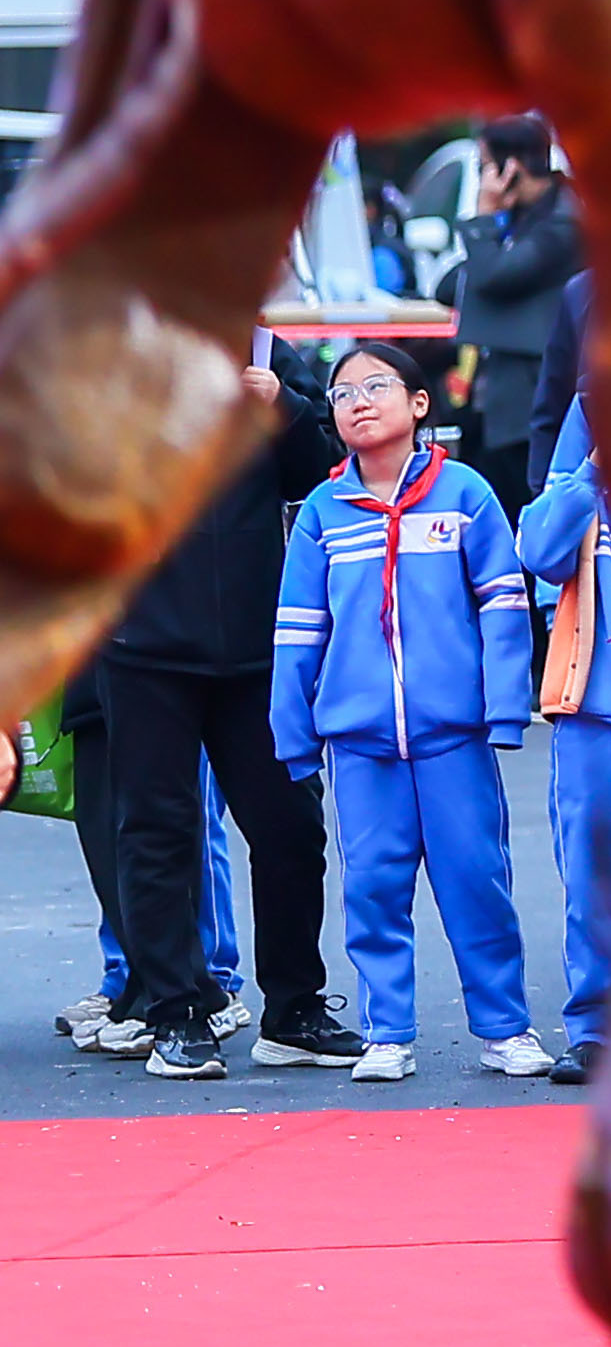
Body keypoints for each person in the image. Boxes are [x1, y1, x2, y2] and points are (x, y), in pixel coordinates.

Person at [271, 338, 543, 1083]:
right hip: (359, 743)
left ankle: (505, 1026)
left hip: (452, 736)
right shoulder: (325, 511)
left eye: (375, 386)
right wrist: (293, 732)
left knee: (476, 881)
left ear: (420, 405)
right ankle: (386, 1031)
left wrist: (502, 707)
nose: (357, 402)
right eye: (342, 393)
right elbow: (298, 629)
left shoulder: (466, 495)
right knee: (373, 888)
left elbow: (503, 605)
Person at [97, 334, 340, 1080]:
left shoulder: (266, 351)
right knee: (157, 832)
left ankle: (294, 1009)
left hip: (256, 643)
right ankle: (175, 1012)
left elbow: (324, 468)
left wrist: (284, 407)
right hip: (142, 643)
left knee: (291, 826)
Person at [520, 401, 611, 1084]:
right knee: (594, 873)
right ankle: (595, 1028)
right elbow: (538, 551)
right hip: (596, 704)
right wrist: (596, 467)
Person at [443, 116, 583, 504]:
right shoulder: (526, 220)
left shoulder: (564, 223)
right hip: (503, 390)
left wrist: (483, 216)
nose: (482, 179)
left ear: (511, 167)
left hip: (532, 391)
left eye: (484, 166)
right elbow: (452, 283)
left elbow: (491, 276)